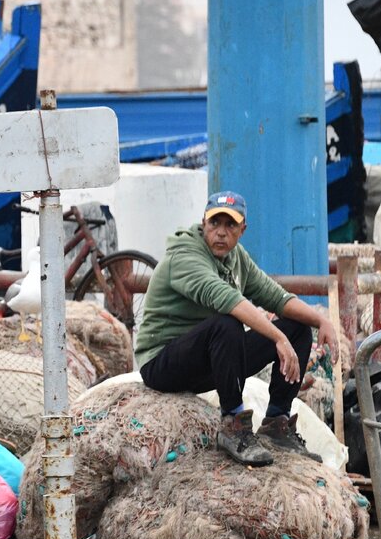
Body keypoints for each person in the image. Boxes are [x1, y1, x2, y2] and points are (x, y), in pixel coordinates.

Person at [134, 190, 339, 467]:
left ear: (243, 230)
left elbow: (276, 297)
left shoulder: (236, 258)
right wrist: (276, 337)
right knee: (227, 323)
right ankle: (233, 424)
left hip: (209, 363)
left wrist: (321, 321)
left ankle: (276, 422)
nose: (221, 232)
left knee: (298, 327)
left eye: (230, 225)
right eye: (214, 223)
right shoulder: (185, 254)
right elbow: (225, 298)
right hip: (163, 363)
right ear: (203, 223)